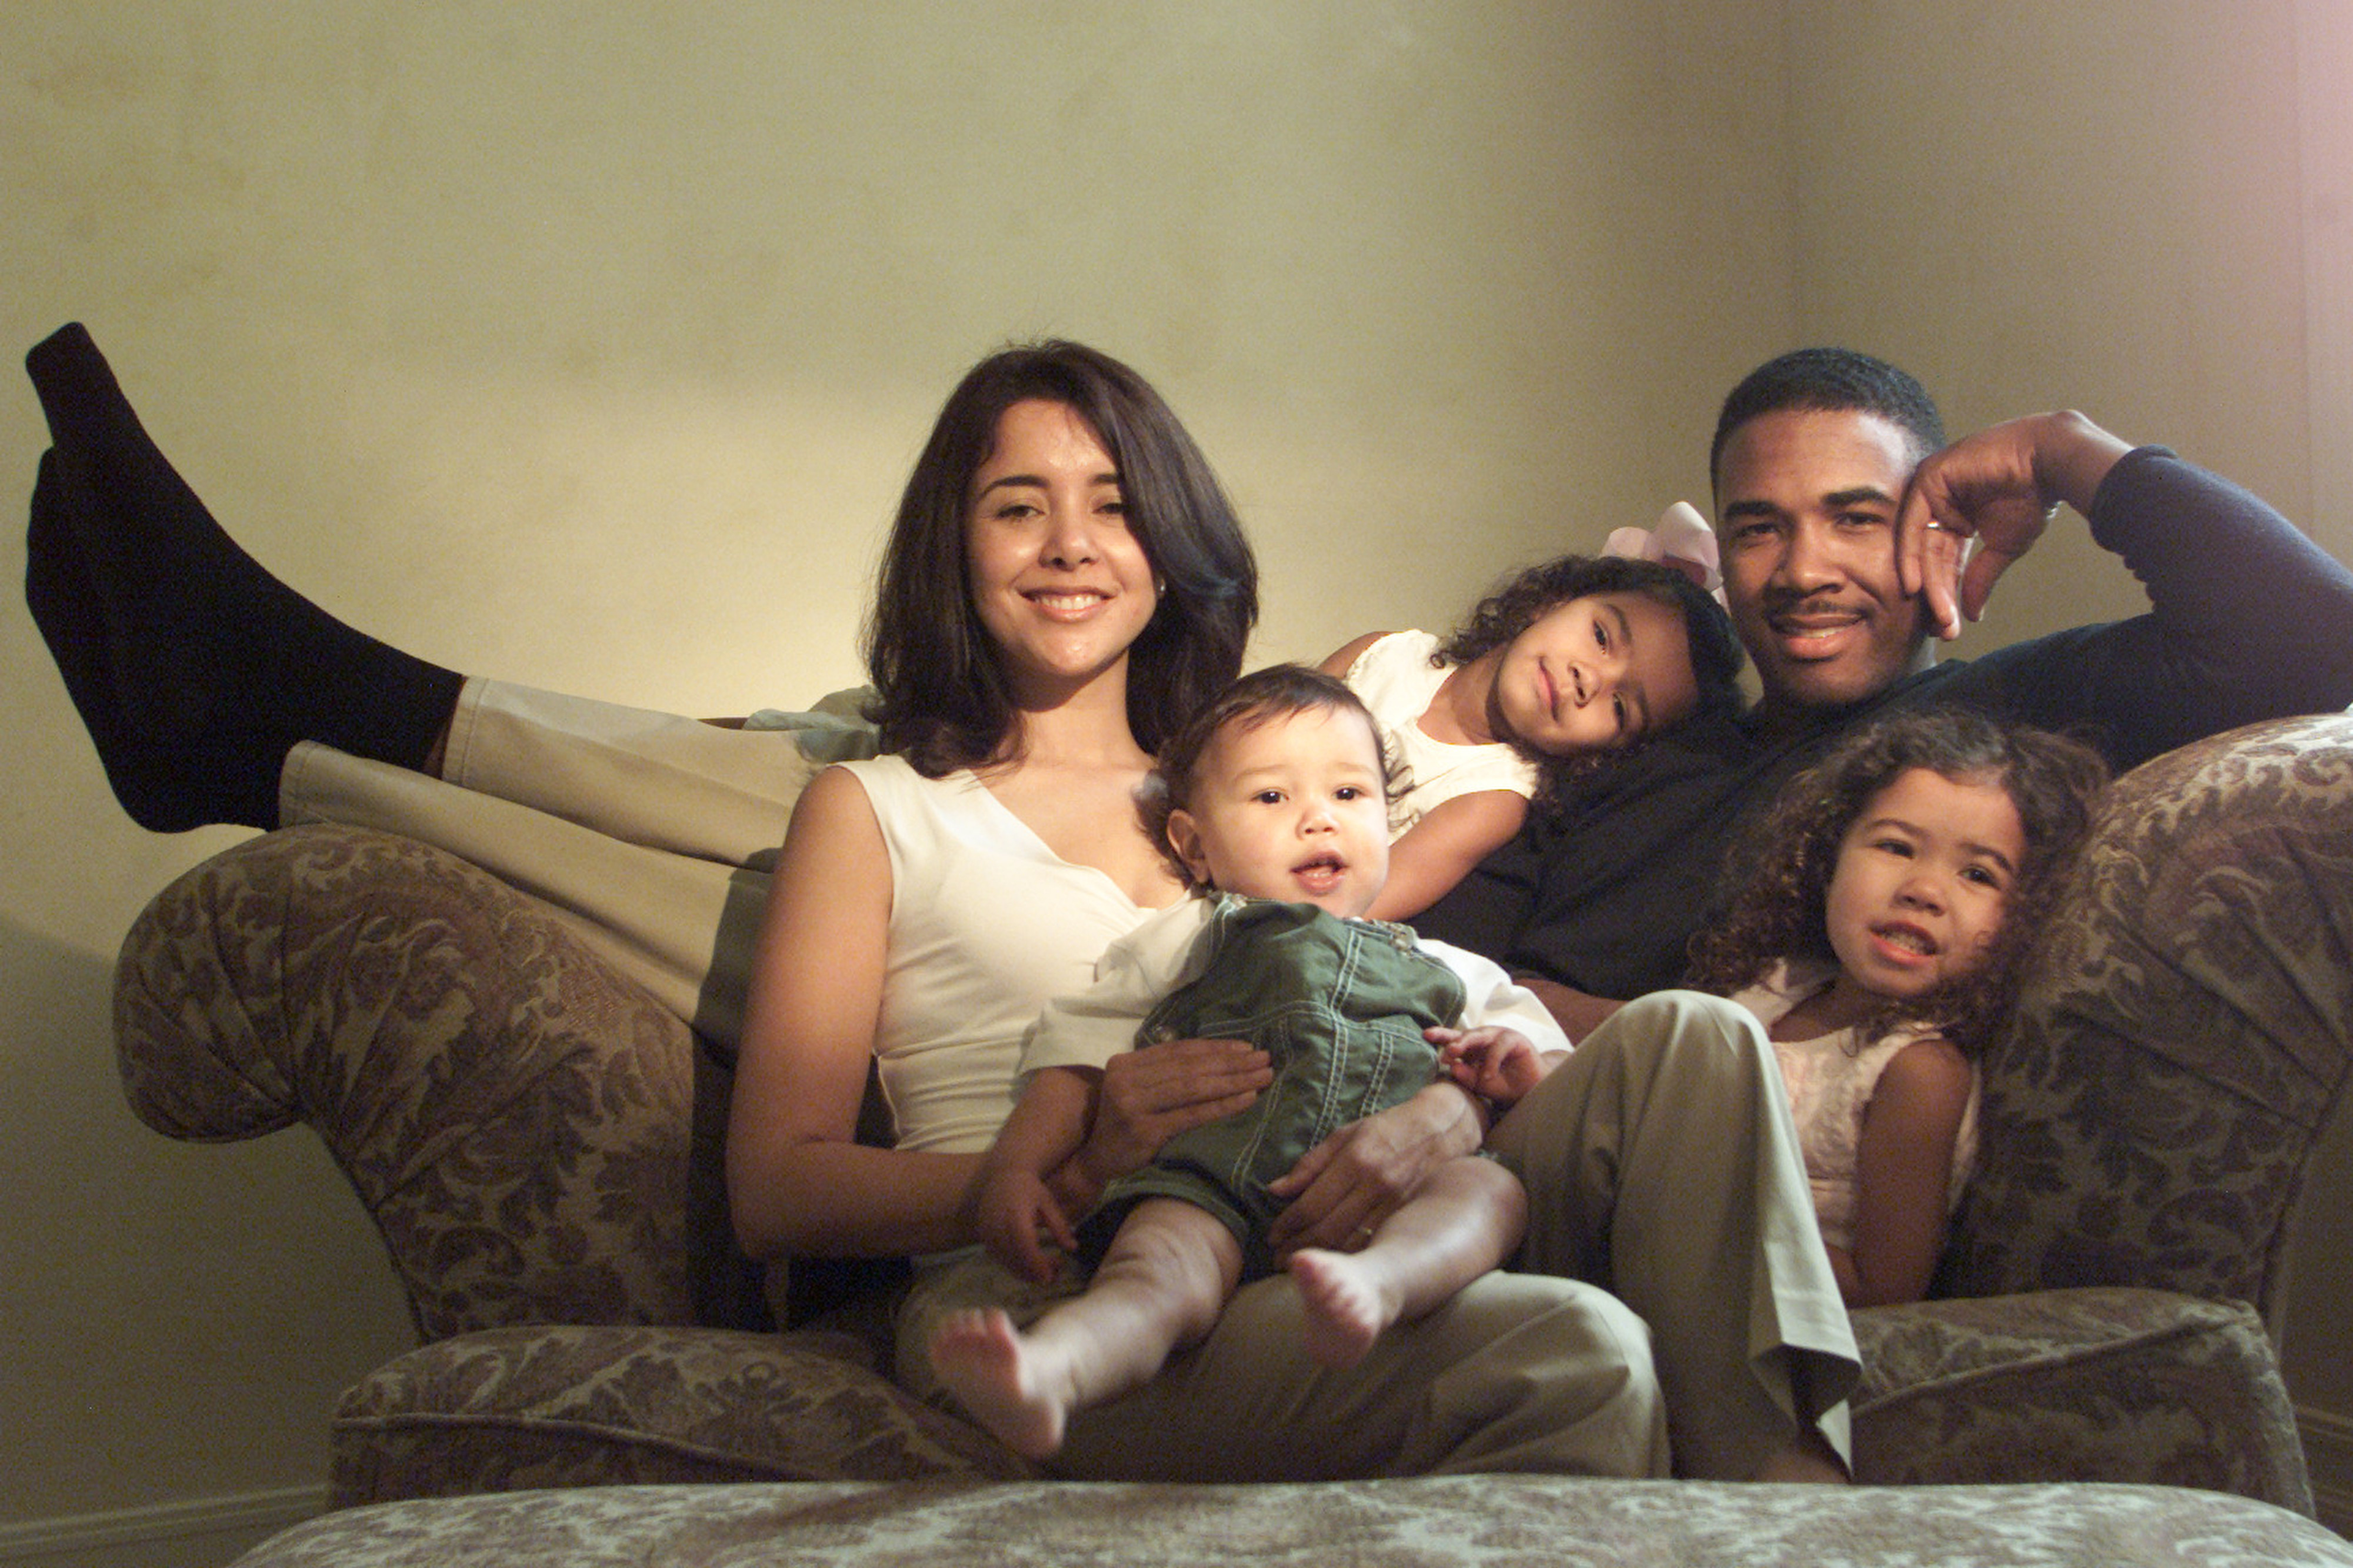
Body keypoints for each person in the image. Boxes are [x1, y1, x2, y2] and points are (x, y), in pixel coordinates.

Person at [23, 324, 1857, 1479]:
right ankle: (266, 703)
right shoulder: (877, 806)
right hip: (1083, 1272)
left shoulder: (1255, 792)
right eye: (1014, 507)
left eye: (1112, 502)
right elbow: (778, 1185)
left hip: (1337, 1221)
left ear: (1173, 541)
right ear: (954, 548)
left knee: (1696, 1043)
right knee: (1573, 1356)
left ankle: (1801, 1513)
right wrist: (1032, 1168)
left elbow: (1416, 983)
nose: (1070, 544)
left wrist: (1449, 1109)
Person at [1417, 347, 2353, 1038]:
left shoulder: (1998, 722)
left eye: (1856, 518)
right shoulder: (1643, 734)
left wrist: (2063, 449)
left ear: (1943, 525)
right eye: (1759, 529)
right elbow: (1435, 956)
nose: (1804, 570)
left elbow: (2317, 637)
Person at [931, 666, 1566, 1458]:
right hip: (1211, 1183)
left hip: (1393, 1195)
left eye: (1349, 793)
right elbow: (1077, 1054)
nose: (1318, 818)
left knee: (1490, 1191)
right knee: (1152, 1269)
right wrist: (1015, 1168)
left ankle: (1380, 1284)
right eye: (1271, 797)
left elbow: (1549, 1058)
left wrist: (1513, 1065)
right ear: (1195, 845)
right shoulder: (1187, 937)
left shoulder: (1446, 964)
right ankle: (1054, 1369)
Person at [1682, 708, 2107, 1306]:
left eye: (1978, 874)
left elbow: (1884, 1286)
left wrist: (1693, 1210)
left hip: (1735, 1305)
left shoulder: (1916, 1071)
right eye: (1896, 846)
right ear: (1827, 860)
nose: (1923, 890)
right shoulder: (1776, 985)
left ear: (2022, 918)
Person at [1321, 551, 1744, 920]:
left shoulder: (1491, 798)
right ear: (1555, 602)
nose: (1589, 679)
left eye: (1620, 707)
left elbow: (1353, 905)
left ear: (1607, 754)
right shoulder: (1385, 651)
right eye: (1601, 636)